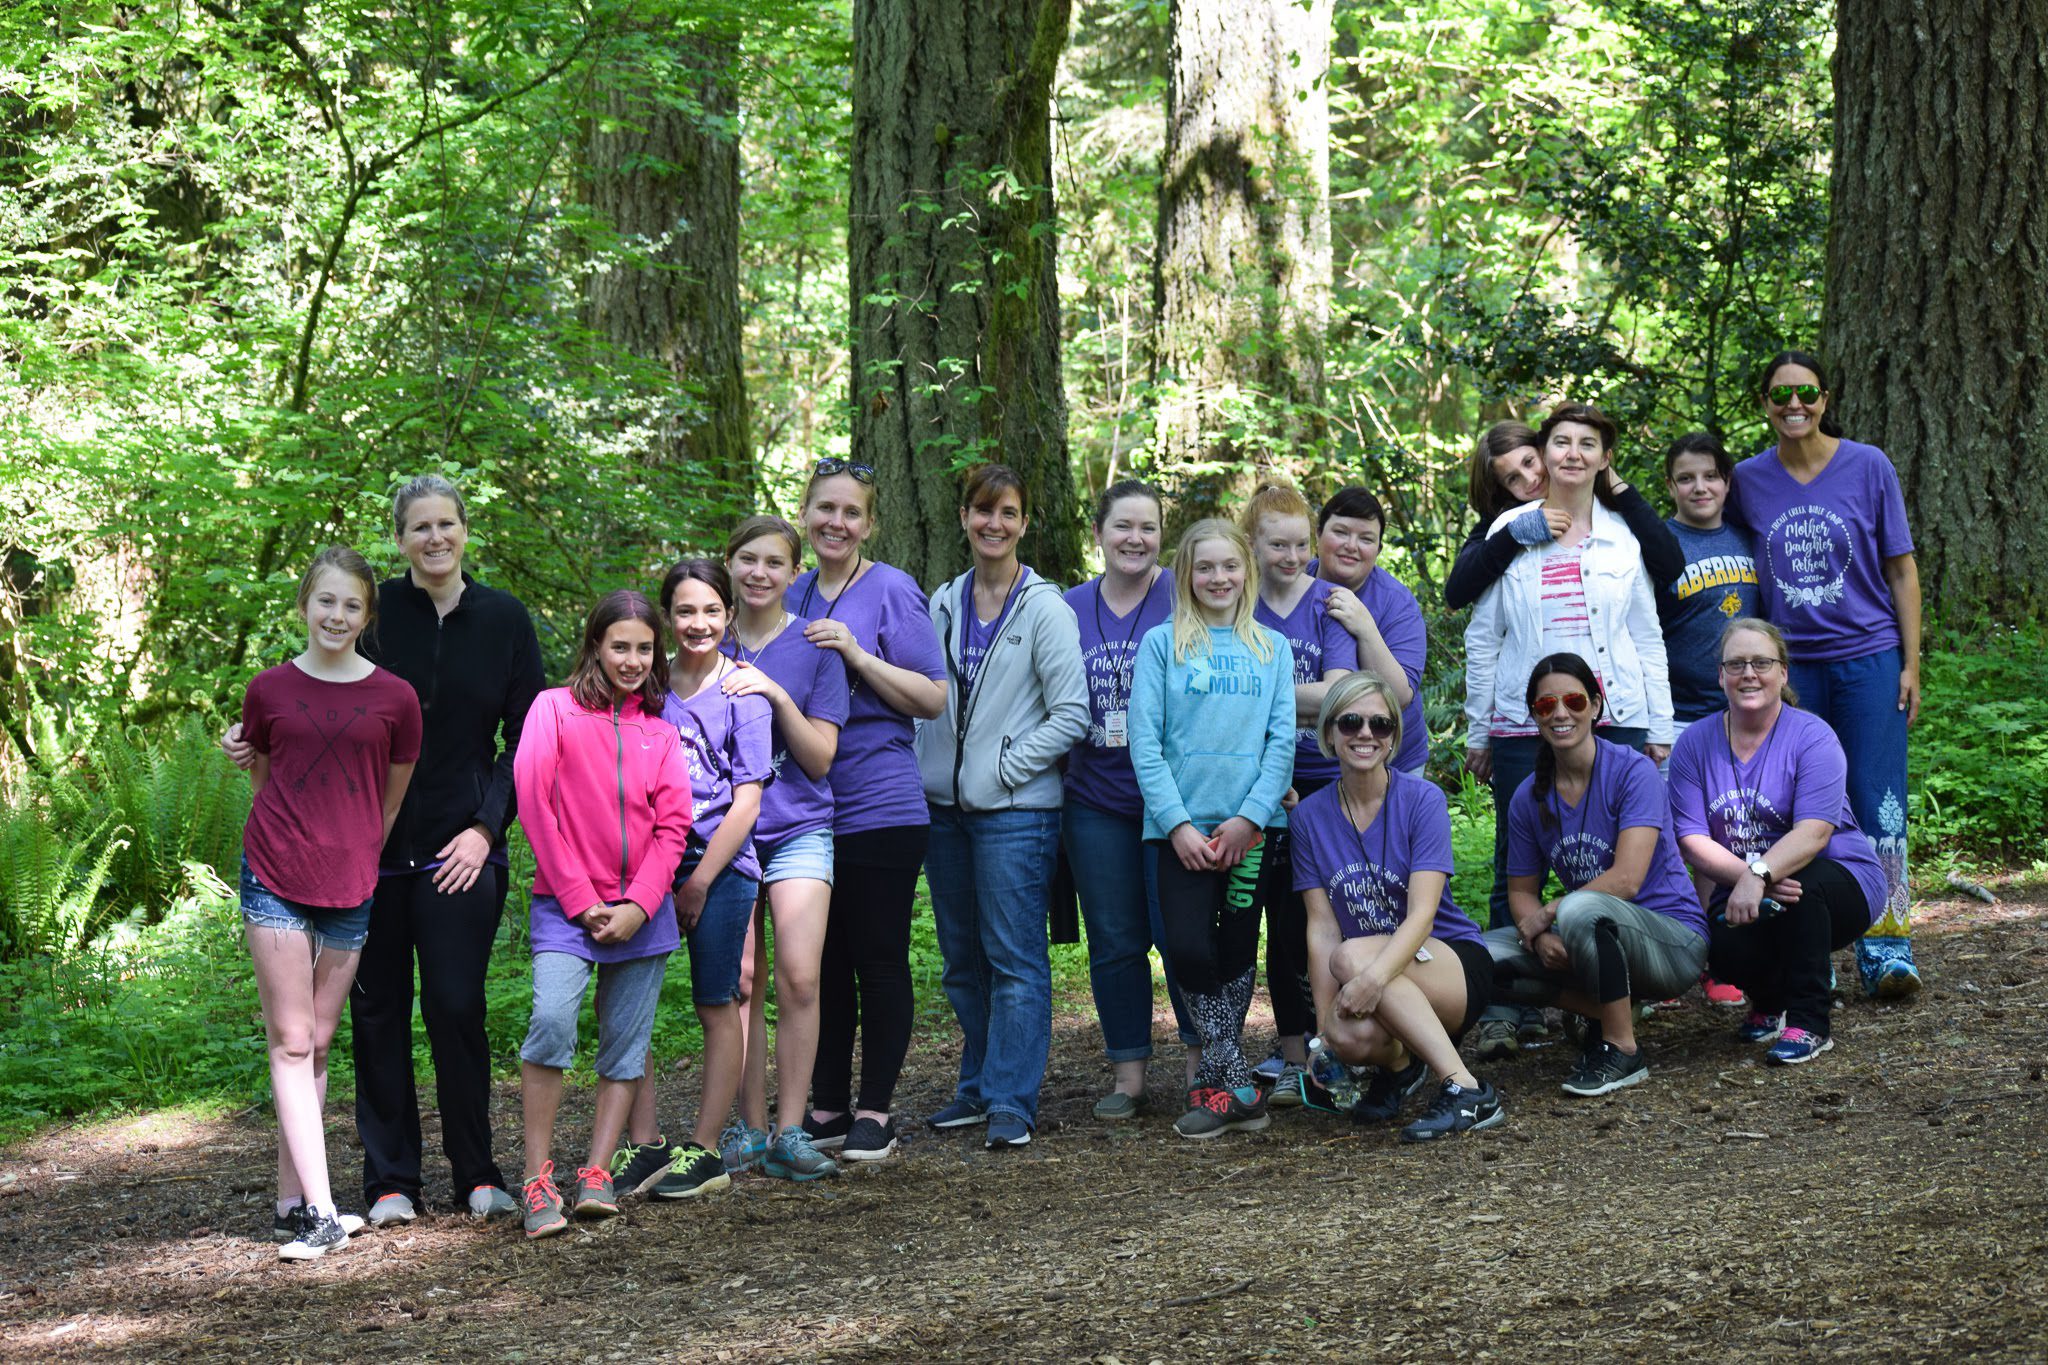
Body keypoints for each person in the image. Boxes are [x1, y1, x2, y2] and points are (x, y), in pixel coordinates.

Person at [224, 476, 541, 1228]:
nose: (434, 538)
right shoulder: (375, 613)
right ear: (400, 539)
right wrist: (250, 741)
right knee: (377, 1014)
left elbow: (525, 740)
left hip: (464, 849)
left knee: (457, 1004)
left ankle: (478, 1172)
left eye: (447, 524)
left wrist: (486, 828)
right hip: (363, 856)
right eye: (419, 527)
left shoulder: (504, 620)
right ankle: (390, 1179)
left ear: (466, 531)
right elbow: (322, 693)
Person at [1464, 405, 1675, 1053]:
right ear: (1544, 453)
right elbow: (1482, 634)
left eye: (1588, 444)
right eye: (1561, 442)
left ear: (1604, 458)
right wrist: (1478, 730)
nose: (1574, 454)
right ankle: (1507, 1006)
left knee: (1614, 858)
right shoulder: (1511, 527)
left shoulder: (1622, 538)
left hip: (1613, 718)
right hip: (1521, 722)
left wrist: (1658, 720)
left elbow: (1645, 632)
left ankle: (1598, 995)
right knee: (1515, 863)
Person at [240, 547, 420, 1260]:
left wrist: (354, 852)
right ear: (304, 605)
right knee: (289, 1039)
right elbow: (262, 774)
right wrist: (294, 841)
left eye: (351, 604)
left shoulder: (396, 698)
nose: (336, 615)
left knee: (315, 1041)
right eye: (325, 601)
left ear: (366, 614)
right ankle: (320, 1211)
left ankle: (290, 1201)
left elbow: (391, 794)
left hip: (352, 881)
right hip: (275, 876)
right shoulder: (268, 689)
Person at [1729, 350, 1923, 999]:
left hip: (1869, 658)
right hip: (1791, 670)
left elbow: (1901, 568)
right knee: (1798, 808)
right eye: (1781, 394)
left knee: (1877, 800)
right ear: (1765, 403)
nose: (1795, 405)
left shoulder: (1868, 466)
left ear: (1825, 397)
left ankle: (1888, 945)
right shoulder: (1748, 480)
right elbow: (1739, 577)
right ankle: (1817, 944)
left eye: (1807, 392)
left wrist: (1911, 662)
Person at [917, 464, 1090, 1148]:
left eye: (1008, 513)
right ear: (963, 517)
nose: (995, 524)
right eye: (983, 511)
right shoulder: (943, 601)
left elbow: (1072, 712)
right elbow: (923, 698)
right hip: (944, 810)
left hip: (1018, 811)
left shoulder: (1044, 607)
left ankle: (1010, 1100)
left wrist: (1003, 767)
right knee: (962, 958)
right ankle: (978, 1083)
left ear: (1024, 523)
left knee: (1014, 956)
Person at [512, 591, 692, 1240]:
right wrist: (583, 900)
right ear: (595, 645)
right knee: (552, 1019)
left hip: (644, 918)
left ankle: (596, 1172)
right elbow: (535, 806)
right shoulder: (551, 709)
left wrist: (640, 906)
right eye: (621, 646)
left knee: (625, 1044)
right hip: (566, 908)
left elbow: (674, 830)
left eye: (645, 648)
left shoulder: (662, 731)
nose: (633, 660)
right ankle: (537, 1179)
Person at [787, 458, 949, 1161]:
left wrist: (856, 653)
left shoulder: (890, 591)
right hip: (807, 807)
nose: (837, 522)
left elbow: (933, 696)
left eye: (852, 512)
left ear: (869, 523)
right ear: (806, 513)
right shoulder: (790, 591)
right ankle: (825, 1103)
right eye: (826, 508)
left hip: (881, 803)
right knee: (822, 963)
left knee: (878, 957)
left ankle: (875, 1111)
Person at [615, 560, 783, 1197]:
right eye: (685, 611)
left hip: (720, 866)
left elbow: (748, 801)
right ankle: (647, 1141)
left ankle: (706, 1149)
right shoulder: (646, 690)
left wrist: (701, 880)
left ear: (730, 615)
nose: (698, 623)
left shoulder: (743, 691)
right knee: (632, 1003)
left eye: (711, 610)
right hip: (646, 864)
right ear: (667, 618)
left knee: (720, 1002)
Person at [1130, 519, 1296, 1140]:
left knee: (1233, 951)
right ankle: (1236, 1076)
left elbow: (1281, 743)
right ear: (1185, 576)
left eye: (1230, 566)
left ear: (1247, 572)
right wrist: (1176, 825)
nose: (1218, 578)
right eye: (1205, 568)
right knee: (1188, 948)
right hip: (1180, 833)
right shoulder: (1161, 644)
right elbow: (1145, 745)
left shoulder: (1271, 650)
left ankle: (1216, 1091)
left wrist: (1250, 820)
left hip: (1253, 831)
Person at [1292, 674, 1502, 1142]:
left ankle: (1467, 1088)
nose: (1365, 734)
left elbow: (1422, 915)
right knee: (1346, 1035)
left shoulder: (1421, 799)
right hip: (1379, 972)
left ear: (1393, 739)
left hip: (1449, 960)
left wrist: (1368, 978)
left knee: (1351, 958)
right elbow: (1322, 928)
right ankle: (1403, 1067)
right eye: (1350, 722)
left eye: (1380, 725)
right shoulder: (1308, 817)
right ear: (1329, 733)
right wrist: (1326, 1031)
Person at [1668, 620, 1889, 1064]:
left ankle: (1809, 1023)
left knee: (1799, 890)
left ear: (1783, 674)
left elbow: (1815, 832)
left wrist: (1761, 875)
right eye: (1736, 664)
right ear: (1720, 676)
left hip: (1839, 877)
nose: (1748, 673)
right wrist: (1749, 881)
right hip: (1747, 882)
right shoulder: (1693, 744)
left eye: (1762, 663)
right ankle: (1769, 1004)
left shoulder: (1812, 737)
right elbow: (1691, 839)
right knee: (1721, 935)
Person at [1489, 655, 1708, 1096]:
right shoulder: (1529, 797)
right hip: (1588, 936)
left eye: (1572, 700)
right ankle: (1606, 1010)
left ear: (1594, 705)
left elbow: (1626, 880)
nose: (1560, 714)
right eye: (1546, 705)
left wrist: (1552, 913)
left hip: (1672, 941)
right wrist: (1539, 938)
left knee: (1582, 908)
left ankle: (1622, 1049)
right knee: (1483, 957)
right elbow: (1520, 893)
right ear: (1533, 714)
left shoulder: (1633, 772)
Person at [1061, 480, 1198, 1118]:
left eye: (1147, 528)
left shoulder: (1185, 595)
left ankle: (1205, 1062)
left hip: (1173, 797)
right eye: (1123, 527)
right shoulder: (1066, 608)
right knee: (1114, 938)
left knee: (1181, 932)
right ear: (1099, 533)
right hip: (1094, 798)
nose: (1135, 540)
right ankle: (1129, 1075)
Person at [716, 517, 849, 1172]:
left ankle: (792, 1131)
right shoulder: (704, 636)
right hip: (728, 834)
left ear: (794, 573)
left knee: (799, 976)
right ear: (730, 563)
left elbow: (821, 757)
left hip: (799, 827)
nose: (759, 572)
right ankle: (750, 1127)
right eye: (748, 559)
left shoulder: (814, 645)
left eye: (774, 562)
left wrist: (771, 691)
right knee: (740, 979)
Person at [1240, 483, 1358, 1102]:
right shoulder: (1238, 602)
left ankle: (1337, 1045)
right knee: (1275, 925)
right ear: (1252, 544)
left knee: (1323, 918)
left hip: (1324, 787)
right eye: (1276, 544)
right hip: (1256, 787)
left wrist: (1253, 694)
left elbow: (1337, 693)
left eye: (1299, 544)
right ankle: (1292, 1054)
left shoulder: (1327, 604)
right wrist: (1298, 697)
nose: (1290, 556)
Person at [1656, 431, 1758, 1011]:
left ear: (1727, 482)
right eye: (1687, 478)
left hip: (1738, 712)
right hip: (1677, 712)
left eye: (1711, 476)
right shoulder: (1661, 544)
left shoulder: (1747, 538)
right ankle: (1677, 956)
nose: (1700, 487)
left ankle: (1726, 957)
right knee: (1682, 840)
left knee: (1735, 834)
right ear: (1671, 486)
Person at [1446, 420, 1684, 612]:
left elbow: (1671, 566)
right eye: (1513, 479)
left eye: (1529, 462)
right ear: (1503, 489)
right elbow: (1456, 593)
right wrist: (1512, 535)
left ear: (1545, 450)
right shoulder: (1504, 520)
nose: (1530, 479)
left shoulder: (1606, 507)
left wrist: (1612, 483)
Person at [1313, 486, 1429, 774]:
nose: (1351, 546)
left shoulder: (1396, 601)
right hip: (1303, 763)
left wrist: (1365, 628)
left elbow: (1400, 697)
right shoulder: (1290, 581)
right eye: (1340, 532)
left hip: (1389, 762)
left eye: (1366, 539)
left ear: (1378, 550)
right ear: (1317, 534)